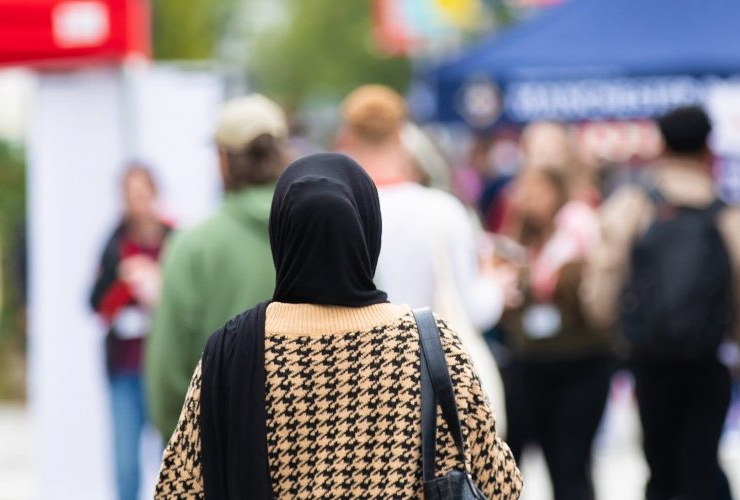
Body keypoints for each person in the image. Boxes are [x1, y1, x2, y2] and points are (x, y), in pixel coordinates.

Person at [154, 153, 522, 498]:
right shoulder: (429, 344)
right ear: (368, 230)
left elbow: (177, 488)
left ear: (281, 234)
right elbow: (500, 485)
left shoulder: (231, 352)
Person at [336, 85, 515, 434]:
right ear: (403, 135)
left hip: (362, 388)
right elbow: (475, 310)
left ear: (349, 136)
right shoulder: (442, 211)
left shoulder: (340, 212)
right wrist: (497, 285)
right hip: (435, 387)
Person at [583, 105, 740, 500]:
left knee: (660, 466)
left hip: (650, 361)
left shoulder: (634, 206)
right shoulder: (725, 216)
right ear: (708, 150)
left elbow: (602, 282)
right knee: (702, 464)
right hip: (707, 360)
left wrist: (614, 332)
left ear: (661, 147)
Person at [146, 94, 290, 441]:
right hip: (318, 459)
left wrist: (185, 449)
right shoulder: (328, 236)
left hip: (224, 451)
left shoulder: (193, 247)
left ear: (223, 160)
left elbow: (168, 371)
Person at [500, 166, 611, 500]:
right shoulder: (519, 235)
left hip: (582, 360)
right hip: (529, 362)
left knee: (570, 465)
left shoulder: (578, 230)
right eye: (525, 192)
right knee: (522, 461)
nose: (530, 200)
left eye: (538, 192)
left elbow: (595, 295)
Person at [89, 164, 172, 500]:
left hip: (164, 367)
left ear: (154, 194)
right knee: (125, 463)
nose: (137, 203)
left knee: (170, 456)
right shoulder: (113, 243)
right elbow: (95, 304)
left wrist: (157, 283)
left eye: (142, 193)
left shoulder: (175, 239)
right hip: (124, 366)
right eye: (129, 195)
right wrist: (123, 282)